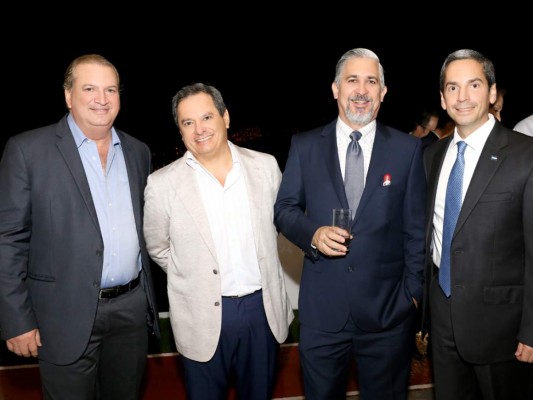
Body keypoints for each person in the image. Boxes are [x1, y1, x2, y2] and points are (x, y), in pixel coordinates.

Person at [0, 54, 160, 399]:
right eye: (89, 88)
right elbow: (8, 240)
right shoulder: (27, 150)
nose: (101, 99)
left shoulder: (138, 152)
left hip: (130, 311)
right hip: (61, 313)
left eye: (111, 89)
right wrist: (17, 319)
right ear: (69, 96)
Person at [274, 48, 426, 399]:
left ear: (383, 92)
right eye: (352, 80)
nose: (361, 90)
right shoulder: (306, 146)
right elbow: (283, 209)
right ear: (335, 89)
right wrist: (312, 233)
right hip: (323, 315)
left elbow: (416, 230)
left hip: (388, 315)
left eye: (371, 81)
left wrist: (412, 297)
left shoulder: (407, 150)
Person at [143, 82, 294, 400]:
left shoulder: (265, 167)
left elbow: (279, 226)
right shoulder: (161, 184)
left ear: (225, 118)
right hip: (202, 315)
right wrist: (193, 275)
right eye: (188, 122)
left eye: (207, 117)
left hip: (261, 310)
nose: (199, 129)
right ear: (181, 131)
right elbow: (157, 246)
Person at [423, 49, 533, 399]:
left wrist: (531, 329)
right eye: (452, 88)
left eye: (473, 85)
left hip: (503, 328)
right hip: (442, 320)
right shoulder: (432, 156)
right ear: (442, 98)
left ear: (492, 92)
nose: (463, 97)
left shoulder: (525, 154)